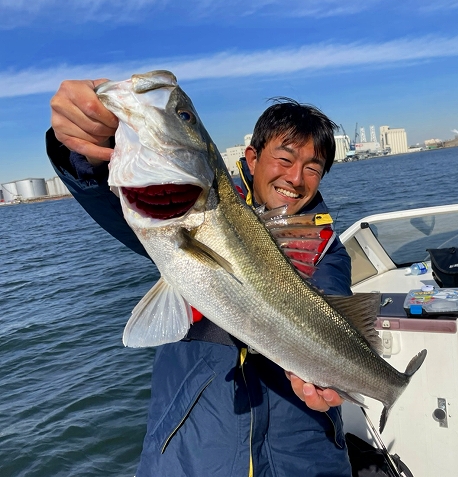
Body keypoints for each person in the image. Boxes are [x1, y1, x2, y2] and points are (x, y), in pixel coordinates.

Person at [47, 79, 354, 477]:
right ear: (253, 157)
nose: (296, 178)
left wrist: (317, 366)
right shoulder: (192, 208)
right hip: (193, 453)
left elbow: (331, 303)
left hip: (306, 456)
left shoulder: (328, 247)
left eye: (313, 168)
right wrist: (82, 147)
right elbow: (116, 198)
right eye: (285, 159)